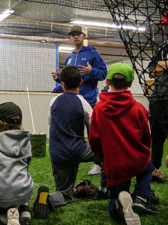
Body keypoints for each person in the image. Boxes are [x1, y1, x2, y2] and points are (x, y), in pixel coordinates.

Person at [33, 66, 107, 220]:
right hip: (77, 149)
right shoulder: (84, 103)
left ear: (62, 84)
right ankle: (104, 189)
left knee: (64, 193)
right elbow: (94, 128)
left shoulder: (53, 101)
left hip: (56, 152)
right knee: (107, 151)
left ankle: (48, 198)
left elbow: (50, 123)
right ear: (81, 82)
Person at [89, 63, 158, 225]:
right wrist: (143, 153)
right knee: (148, 167)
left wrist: (104, 158)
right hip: (137, 160)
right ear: (130, 83)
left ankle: (119, 203)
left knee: (115, 196)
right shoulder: (138, 108)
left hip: (114, 165)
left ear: (107, 81)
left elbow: (94, 139)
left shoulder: (98, 109)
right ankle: (141, 195)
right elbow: (147, 138)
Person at [52, 25, 107, 176]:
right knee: (74, 133)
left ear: (83, 36)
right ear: (70, 38)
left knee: (93, 133)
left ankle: (98, 163)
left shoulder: (93, 54)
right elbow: (68, 80)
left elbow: (104, 73)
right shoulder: (69, 58)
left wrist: (92, 71)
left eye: (78, 34)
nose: (76, 37)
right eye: (73, 34)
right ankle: (73, 159)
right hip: (72, 102)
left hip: (89, 101)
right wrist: (58, 79)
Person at [0, 102, 33, 225]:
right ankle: (24, 209)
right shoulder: (27, 142)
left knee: (0, 206)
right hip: (24, 191)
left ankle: (5, 214)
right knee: (21, 182)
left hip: (1, 193)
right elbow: (27, 166)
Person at [148, 11, 168, 183]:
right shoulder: (162, 47)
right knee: (156, 137)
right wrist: (163, 65)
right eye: (164, 25)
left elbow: (160, 67)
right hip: (157, 98)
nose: (166, 28)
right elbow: (152, 71)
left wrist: (163, 65)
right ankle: (154, 169)